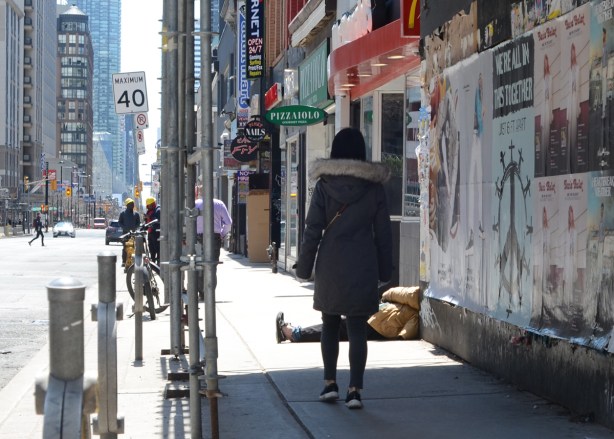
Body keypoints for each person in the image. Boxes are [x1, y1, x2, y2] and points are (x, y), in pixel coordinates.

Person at [294, 127, 393, 410]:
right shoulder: (374, 188)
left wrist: (304, 267)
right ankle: (355, 390)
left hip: (331, 263)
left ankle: (329, 384)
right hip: (363, 263)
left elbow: (312, 228)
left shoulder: (324, 186)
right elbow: (383, 233)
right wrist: (386, 270)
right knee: (358, 327)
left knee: (330, 322)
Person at [276, 286, 420, 343]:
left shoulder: (415, 298)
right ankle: (295, 333)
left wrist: (401, 336)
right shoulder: (415, 304)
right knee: (337, 328)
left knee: (335, 328)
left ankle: (294, 333)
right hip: (376, 320)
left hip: (377, 324)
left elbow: (408, 329)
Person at [195, 197, 232, 299]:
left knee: (198, 265)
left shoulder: (196, 203)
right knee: (212, 266)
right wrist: (222, 234)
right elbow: (228, 223)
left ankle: (201, 292)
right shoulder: (219, 204)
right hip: (214, 237)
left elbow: (189, 220)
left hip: (198, 237)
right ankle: (210, 293)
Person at [118, 198, 140, 267]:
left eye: (133, 204)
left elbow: (138, 223)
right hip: (125, 234)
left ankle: (132, 262)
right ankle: (124, 261)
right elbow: (120, 222)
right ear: (127, 205)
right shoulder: (123, 214)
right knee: (125, 248)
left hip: (133, 234)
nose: (132, 205)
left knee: (133, 248)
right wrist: (124, 227)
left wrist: (135, 228)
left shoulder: (136, 214)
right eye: (131, 204)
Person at [144, 197, 161, 264]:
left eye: (149, 205)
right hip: (150, 232)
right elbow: (147, 222)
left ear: (153, 204)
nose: (148, 207)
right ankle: (153, 262)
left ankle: (158, 263)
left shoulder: (158, 210)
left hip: (156, 233)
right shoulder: (149, 211)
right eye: (147, 206)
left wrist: (149, 217)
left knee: (157, 249)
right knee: (151, 249)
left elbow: (157, 220)